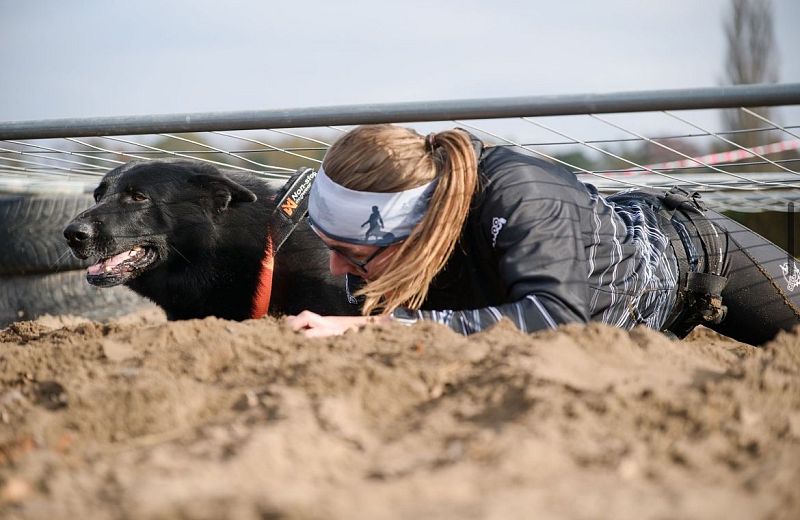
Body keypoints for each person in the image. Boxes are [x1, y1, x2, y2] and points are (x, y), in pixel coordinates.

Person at [286, 124, 800, 345]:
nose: (336, 271)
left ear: (417, 233)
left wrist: (374, 331)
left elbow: (555, 318)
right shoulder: (388, 252)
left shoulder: (521, 193)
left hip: (698, 260)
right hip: (618, 322)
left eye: (351, 254)